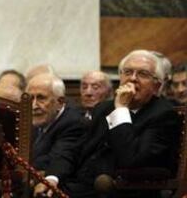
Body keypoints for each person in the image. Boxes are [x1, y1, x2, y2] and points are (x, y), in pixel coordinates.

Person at [34, 50, 180, 197]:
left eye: (143, 74)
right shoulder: (103, 108)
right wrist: (52, 178)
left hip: (120, 190)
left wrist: (121, 109)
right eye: (128, 72)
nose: (133, 79)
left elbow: (132, 160)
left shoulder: (163, 114)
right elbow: (75, 149)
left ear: (157, 86)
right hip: (79, 185)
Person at [27, 74, 84, 188]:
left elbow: (60, 157)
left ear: (60, 102)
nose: (34, 106)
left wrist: (48, 177)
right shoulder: (37, 120)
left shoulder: (73, 122)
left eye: (41, 98)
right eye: (30, 98)